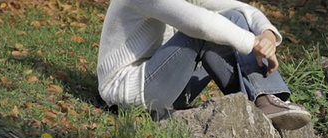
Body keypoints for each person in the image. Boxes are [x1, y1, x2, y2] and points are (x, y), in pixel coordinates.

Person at [96, 0, 311, 130]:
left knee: (232, 18)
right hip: (130, 92)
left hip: (163, 85)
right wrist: (252, 43)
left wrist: (268, 34)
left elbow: (240, 9)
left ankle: (267, 99)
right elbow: (200, 25)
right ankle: (265, 100)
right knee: (205, 33)